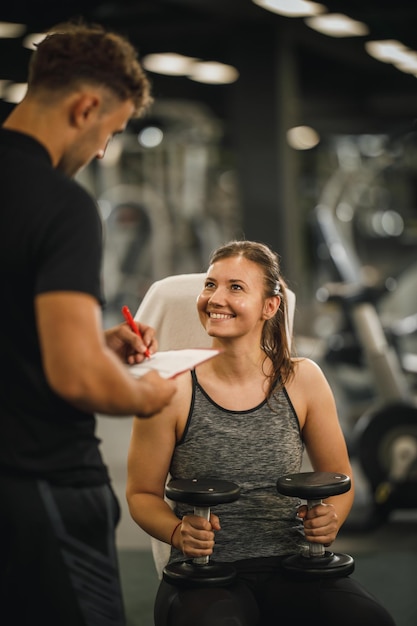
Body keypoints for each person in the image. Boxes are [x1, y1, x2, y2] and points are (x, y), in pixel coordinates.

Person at [0, 21, 177, 626]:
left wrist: (91, 339)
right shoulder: (61, 204)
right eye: (110, 131)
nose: (103, 150)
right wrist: (147, 391)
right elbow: (76, 377)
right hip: (42, 484)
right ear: (85, 107)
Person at [126, 240, 396, 626]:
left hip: (293, 564)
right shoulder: (171, 389)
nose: (215, 298)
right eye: (210, 285)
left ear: (269, 306)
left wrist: (331, 518)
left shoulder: (303, 380)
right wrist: (177, 533)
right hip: (207, 572)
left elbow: (342, 478)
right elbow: (141, 493)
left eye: (235, 287)